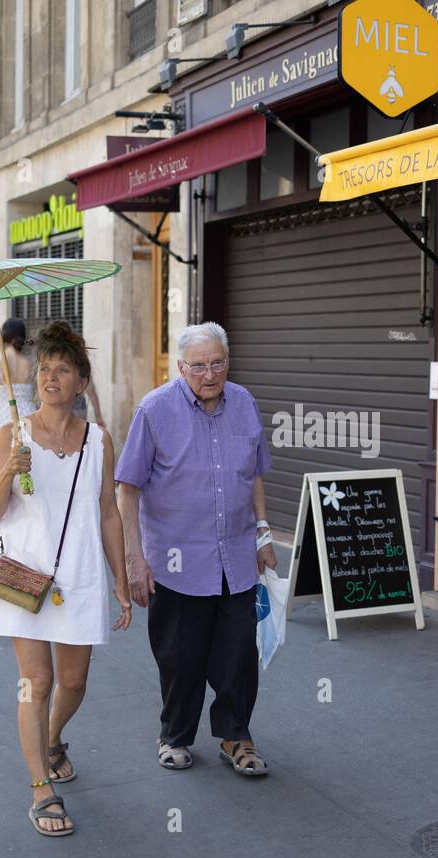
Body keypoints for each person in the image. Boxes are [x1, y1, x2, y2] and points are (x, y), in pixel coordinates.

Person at [0, 322, 132, 837]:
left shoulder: (99, 441)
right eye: (44, 369)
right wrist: (3, 472)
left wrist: (121, 579)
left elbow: (109, 512)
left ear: (82, 382)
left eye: (63, 369)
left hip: (80, 576)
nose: (50, 377)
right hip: (24, 575)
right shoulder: (10, 435)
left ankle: (53, 736)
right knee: (35, 682)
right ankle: (41, 787)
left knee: (75, 682)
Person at [116, 321, 276, 776]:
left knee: (239, 654)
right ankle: (175, 735)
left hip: (236, 556)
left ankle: (235, 736)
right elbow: (127, 489)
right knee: (181, 658)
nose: (210, 374)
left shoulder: (244, 403)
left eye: (218, 363)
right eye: (199, 366)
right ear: (181, 368)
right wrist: (134, 558)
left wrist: (263, 532)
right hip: (176, 561)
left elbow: (255, 474)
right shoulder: (154, 410)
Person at [0, 318, 37, 456]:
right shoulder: (32, 364)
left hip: (2, 417)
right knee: (28, 463)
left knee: (2, 465)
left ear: (3, 335)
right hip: (29, 416)